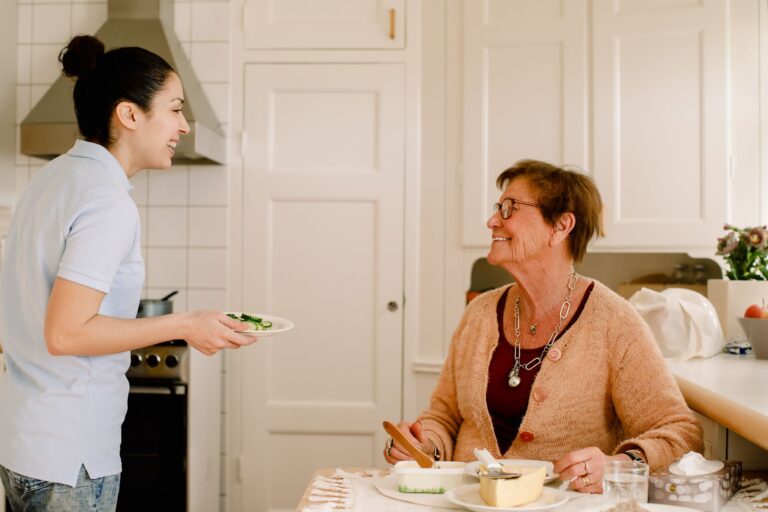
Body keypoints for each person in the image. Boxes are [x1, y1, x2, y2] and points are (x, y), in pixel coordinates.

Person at [0, 35, 254, 511]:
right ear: (130, 115)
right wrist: (185, 324)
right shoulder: (106, 201)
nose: (184, 125)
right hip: (69, 459)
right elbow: (66, 333)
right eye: (175, 109)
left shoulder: (51, 180)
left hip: (24, 444)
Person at [383, 159, 702, 493]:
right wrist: (423, 445)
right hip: (467, 501)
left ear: (561, 226)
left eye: (510, 209)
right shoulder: (479, 313)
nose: (492, 221)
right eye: (497, 208)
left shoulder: (614, 322)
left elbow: (680, 432)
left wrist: (618, 465)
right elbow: (444, 416)